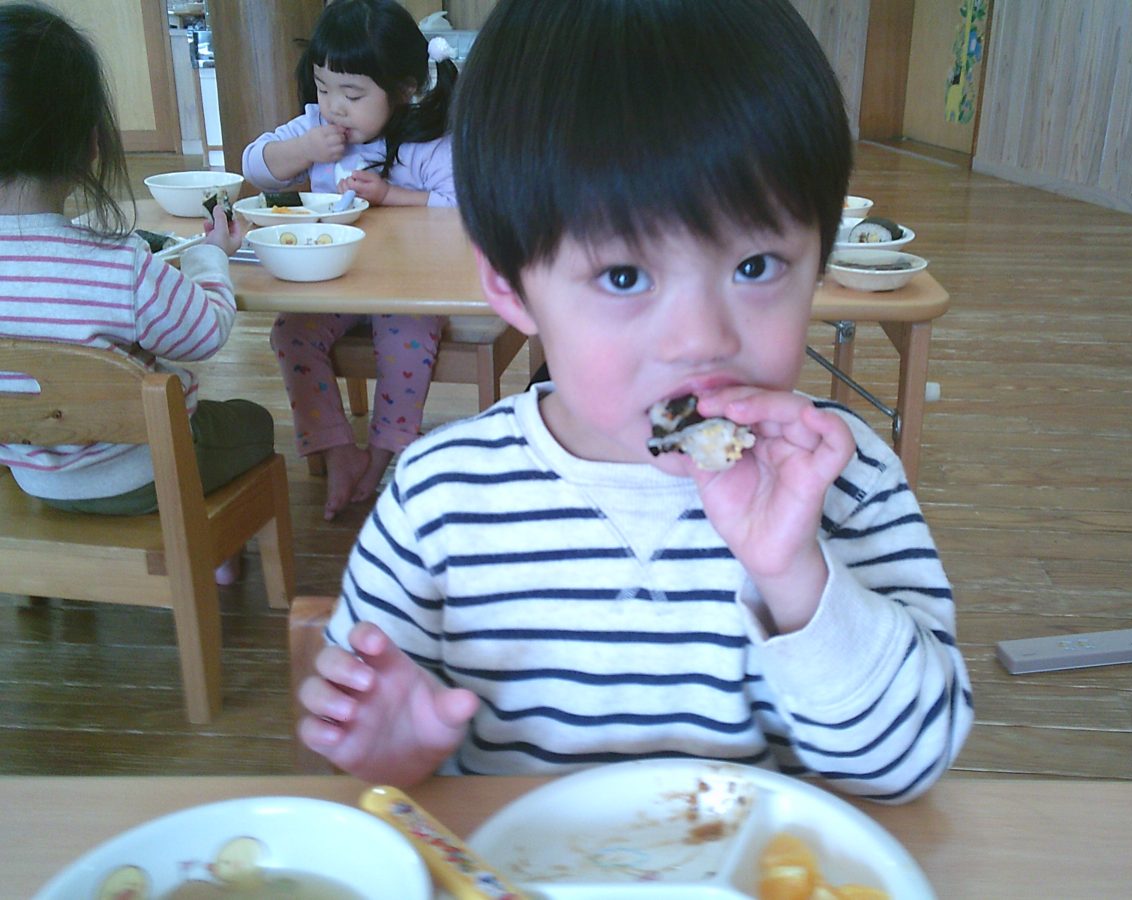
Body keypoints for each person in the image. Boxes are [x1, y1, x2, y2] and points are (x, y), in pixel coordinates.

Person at [298, 0, 974, 803]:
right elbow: (368, 750)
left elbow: (905, 768)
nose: (700, 339)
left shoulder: (843, 479)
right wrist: (399, 751)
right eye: (624, 276)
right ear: (510, 286)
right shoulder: (440, 497)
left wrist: (794, 573)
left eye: (756, 266)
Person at [0, 3, 272, 586]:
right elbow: (204, 333)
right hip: (139, 476)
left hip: (31, 475)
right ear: (91, 144)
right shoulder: (118, 264)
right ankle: (213, 543)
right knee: (252, 422)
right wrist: (209, 256)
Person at [242, 0, 459, 521]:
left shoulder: (423, 141)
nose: (334, 107)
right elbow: (255, 166)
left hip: (408, 289)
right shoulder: (315, 127)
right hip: (333, 283)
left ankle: (384, 451)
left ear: (404, 89)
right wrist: (304, 151)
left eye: (353, 94)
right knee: (290, 334)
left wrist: (390, 195)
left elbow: (463, 205)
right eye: (323, 88)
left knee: (406, 344)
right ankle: (338, 449)